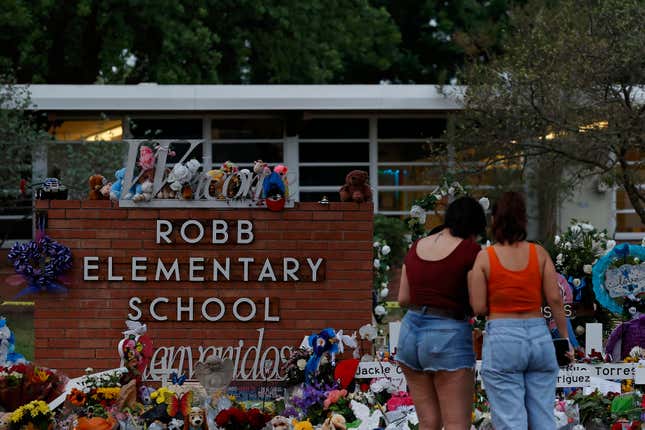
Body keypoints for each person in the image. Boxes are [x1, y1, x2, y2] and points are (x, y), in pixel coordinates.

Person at [468, 191, 570, 430]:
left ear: (494, 220)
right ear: (524, 220)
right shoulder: (539, 253)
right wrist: (565, 339)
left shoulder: (485, 258)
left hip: (503, 338)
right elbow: (555, 299)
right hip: (539, 337)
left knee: (511, 420)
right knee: (543, 417)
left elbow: (479, 307)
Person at [397, 196, 486, 430]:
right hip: (447, 334)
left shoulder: (417, 246)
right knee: (456, 424)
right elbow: (479, 305)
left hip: (409, 334)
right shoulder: (470, 250)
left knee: (429, 423)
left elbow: (403, 298)